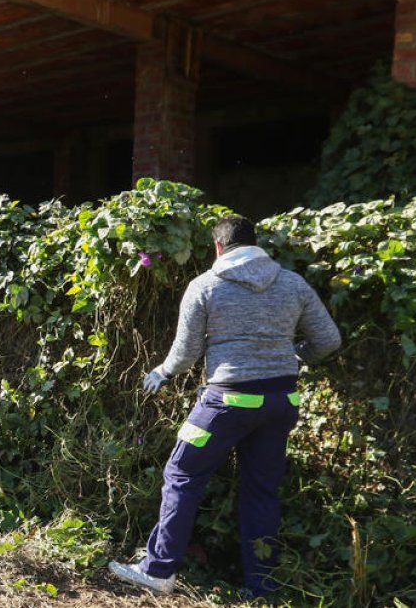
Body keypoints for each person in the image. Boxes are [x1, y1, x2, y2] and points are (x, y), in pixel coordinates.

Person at [109, 216, 342, 597]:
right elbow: (329, 340)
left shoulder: (206, 285)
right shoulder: (292, 283)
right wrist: (294, 356)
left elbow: (185, 354)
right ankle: (262, 586)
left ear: (217, 247)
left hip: (227, 402)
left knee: (182, 473)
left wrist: (162, 372)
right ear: (258, 245)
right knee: (262, 491)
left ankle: (159, 569)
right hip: (282, 402)